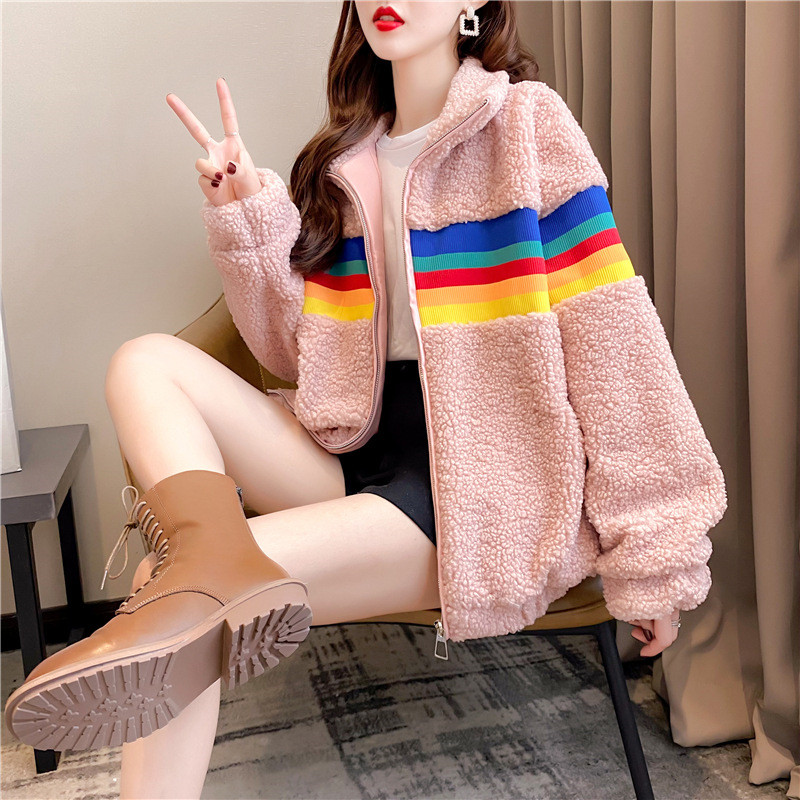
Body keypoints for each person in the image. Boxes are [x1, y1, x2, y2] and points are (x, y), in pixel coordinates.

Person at [4, 1, 728, 796]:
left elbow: (616, 346)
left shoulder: (528, 126)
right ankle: (210, 558)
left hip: (479, 491)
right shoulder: (344, 160)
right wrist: (242, 211)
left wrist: (658, 558)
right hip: (356, 447)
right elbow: (298, 356)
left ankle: (201, 575)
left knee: (168, 593)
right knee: (143, 362)